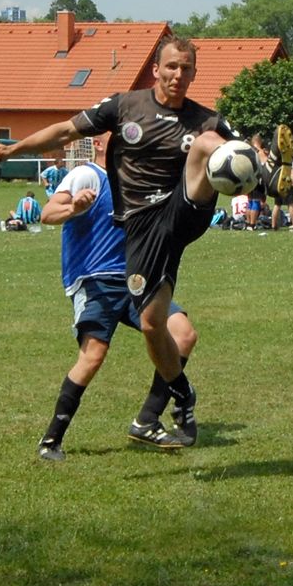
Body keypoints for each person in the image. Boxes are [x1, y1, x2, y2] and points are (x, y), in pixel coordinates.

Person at [0, 35, 293, 449]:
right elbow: (62, 132)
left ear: (194, 74)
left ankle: (271, 184)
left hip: (184, 210)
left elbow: (245, 152)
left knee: (208, 144)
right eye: (171, 67)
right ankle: (179, 396)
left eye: (186, 69)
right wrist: (13, 149)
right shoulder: (124, 107)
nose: (178, 75)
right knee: (153, 325)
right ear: (156, 69)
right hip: (143, 229)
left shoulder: (206, 119)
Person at [36, 136, 198, 460]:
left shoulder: (142, 184)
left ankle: (147, 419)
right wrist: (74, 207)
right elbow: (47, 213)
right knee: (93, 355)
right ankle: (51, 441)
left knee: (183, 335)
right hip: (94, 279)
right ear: (99, 142)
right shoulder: (89, 174)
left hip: (136, 279)